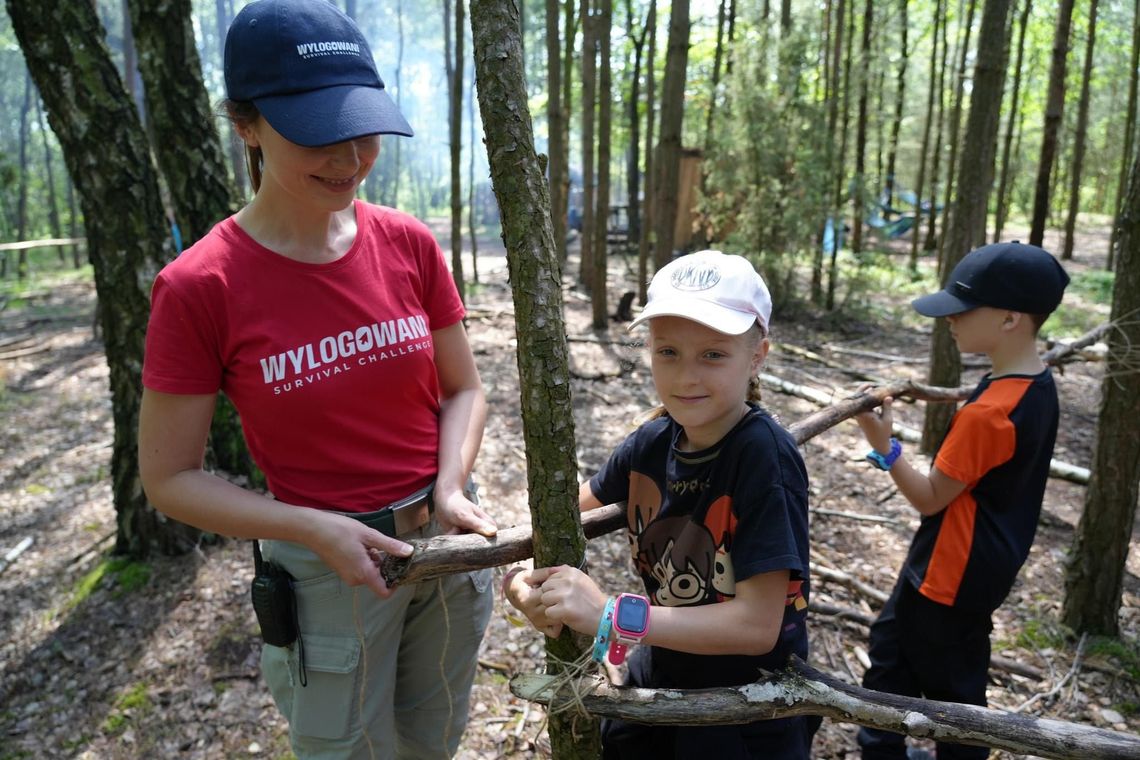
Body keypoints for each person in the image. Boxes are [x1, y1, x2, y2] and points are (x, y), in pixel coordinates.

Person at [137, 1, 496, 757]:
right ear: (246, 125)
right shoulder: (201, 285)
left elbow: (462, 388)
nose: (349, 156)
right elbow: (169, 478)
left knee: (433, 742)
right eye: (317, 132)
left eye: (363, 129)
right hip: (327, 575)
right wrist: (308, 527)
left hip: (444, 549)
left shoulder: (408, 243)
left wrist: (451, 489)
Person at [505, 250, 818, 759]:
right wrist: (521, 580)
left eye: (713, 354)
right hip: (663, 668)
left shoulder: (763, 456)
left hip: (748, 707)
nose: (686, 377)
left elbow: (757, 626)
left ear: (757, 355)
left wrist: (610, 616)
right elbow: (555, 520)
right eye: (668, 351)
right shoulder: (649, 443)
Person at [852, 241, 1070, 760]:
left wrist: (884, 447)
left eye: (962, 309)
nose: (949, 319)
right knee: (889, 660)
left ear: (1011, 319)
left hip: (950, 573)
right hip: (973, 567)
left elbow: (928, 498)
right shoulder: (1034, 384)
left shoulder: (988, 412)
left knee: (953, 700)